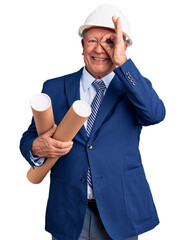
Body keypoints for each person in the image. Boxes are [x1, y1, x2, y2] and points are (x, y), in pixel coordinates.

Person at [20, 4, 165, 240]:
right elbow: (29, 136)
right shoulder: (54, 87)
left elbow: (155, 115)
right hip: (68, 209)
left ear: (123, 46)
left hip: (120, 210)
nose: (99, 49)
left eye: (109, 42)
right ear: (82, 46)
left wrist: (123, 63)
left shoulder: (134, 88)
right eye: (92, 41)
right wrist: (36, 147)